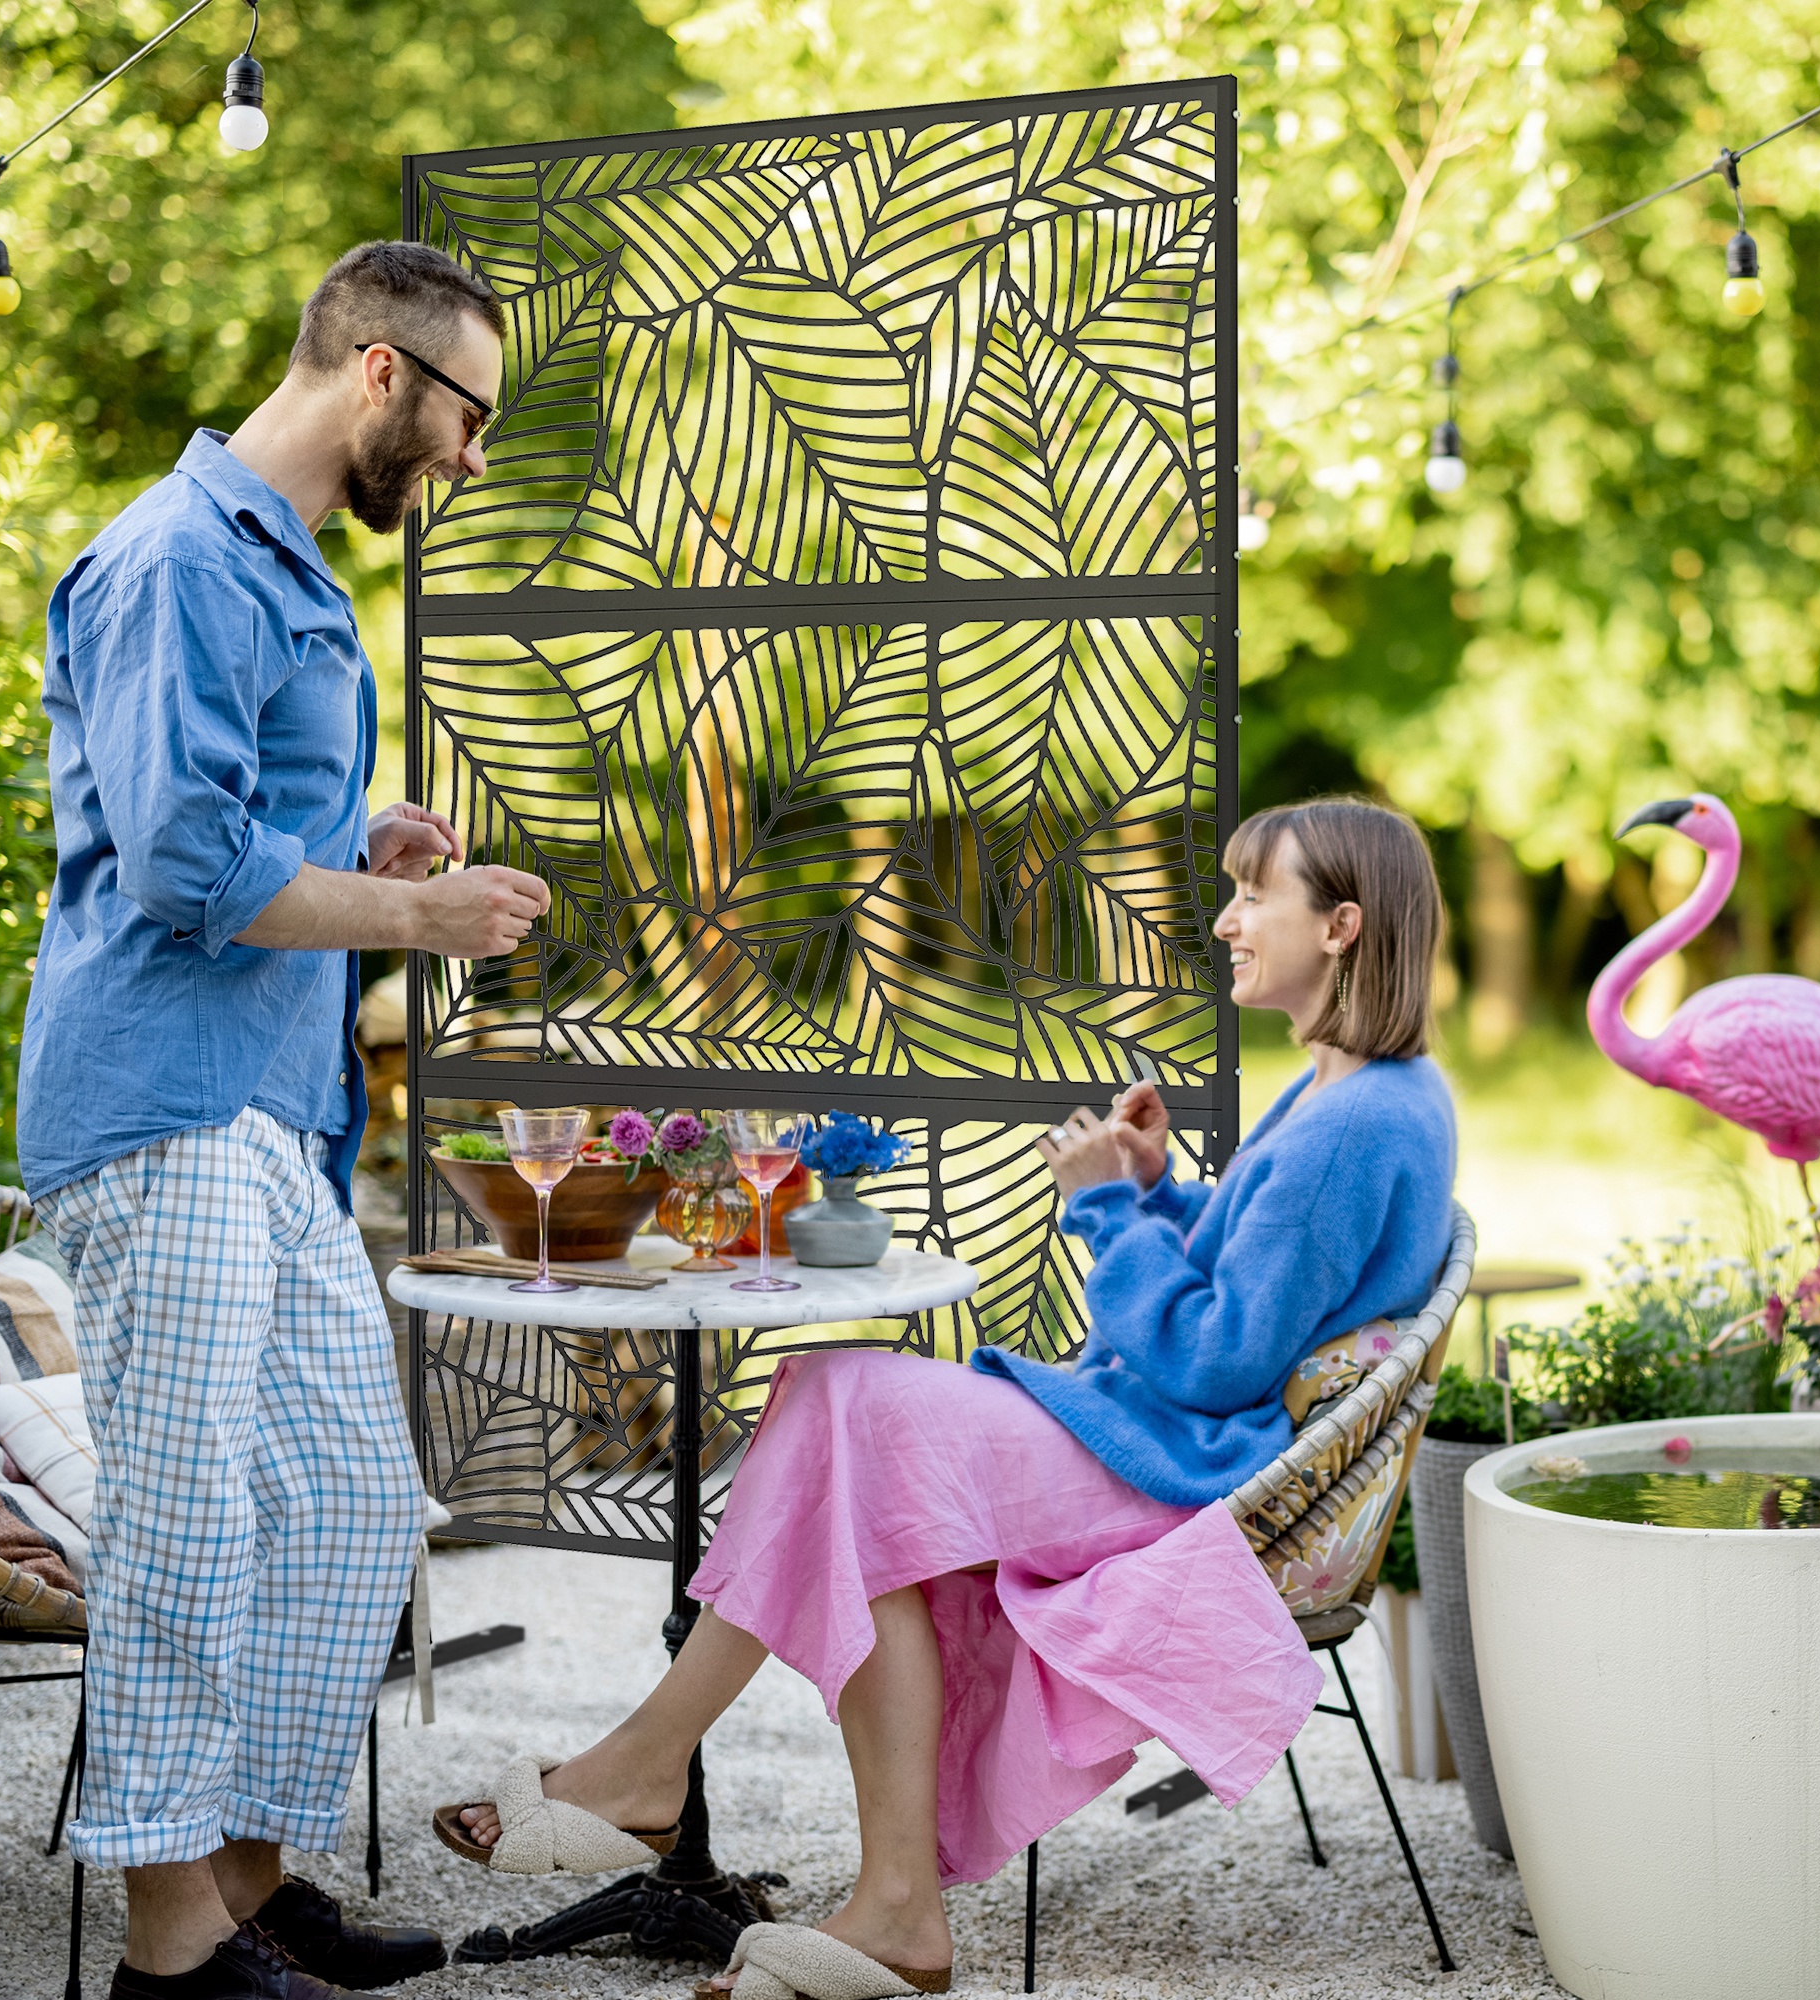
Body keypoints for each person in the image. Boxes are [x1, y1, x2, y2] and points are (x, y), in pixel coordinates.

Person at [435, 796, 1458, 2000]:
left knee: (841, 1410)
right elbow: (1267, 1284)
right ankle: (883, 1905)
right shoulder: (1364, 1094)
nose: (1224, 919)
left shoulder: (1355, 1120)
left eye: (1253, 894)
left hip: (1178, 1470)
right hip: (1167, 1440)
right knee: (852, 1454)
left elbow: (1217, 1356)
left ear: (1340, 926)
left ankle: (653, 1775)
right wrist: (1157, 1188)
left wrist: (1103, 1208)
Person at [19, 241, 551, 2000]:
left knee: (343, 1504)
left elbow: (232, 826)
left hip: (264, 1115)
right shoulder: (181, 555)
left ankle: (241, 1890)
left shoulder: (282, 569)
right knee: (188, 1520)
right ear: (384, 372)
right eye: (472, 414)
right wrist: (415, 919)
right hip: (164, 1101)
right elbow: (179, 865)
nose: (472, 458)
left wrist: (360, 852)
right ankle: (172, 1959)